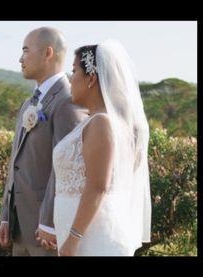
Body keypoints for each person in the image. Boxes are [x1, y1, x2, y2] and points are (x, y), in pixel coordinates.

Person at [54, 39, 151, 256]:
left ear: (91, 79)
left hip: (92, 238)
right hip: (81, 232)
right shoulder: (96, 121)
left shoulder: (101, 123)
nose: (70, 79)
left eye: (74, 71)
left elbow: (98, 186)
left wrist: (73, 239)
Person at [0, 27, 88, 256]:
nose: (20, 58)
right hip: (19, 227)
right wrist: (6, 216)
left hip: (47, 232)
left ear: (48, 53)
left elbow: (67, 170)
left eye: (26, 51)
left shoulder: (68, 101)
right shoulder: (28, 103)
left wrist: (49, 223)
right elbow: (15, 163)